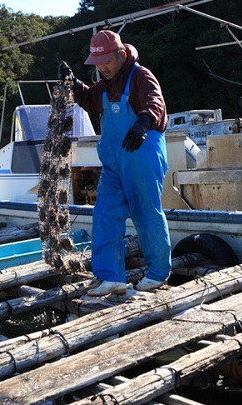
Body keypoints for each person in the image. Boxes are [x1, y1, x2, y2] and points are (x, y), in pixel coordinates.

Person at [58, 30, 171, 296]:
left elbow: (155, 103)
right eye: (97, 64)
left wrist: (143, 122)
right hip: (113, 164)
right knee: (105, 213)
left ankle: (157, 274)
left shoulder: (141, 76)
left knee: (146, 213)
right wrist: (72, 82)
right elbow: (87, 99)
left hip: (142, 157)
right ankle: (111, 277)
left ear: (121, 55)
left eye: (105, 62)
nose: (102, 69)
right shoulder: (106, 85)